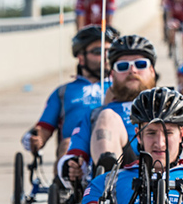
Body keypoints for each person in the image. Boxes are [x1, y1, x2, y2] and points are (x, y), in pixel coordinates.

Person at [59, 35, 183, 186]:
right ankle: (107, 191)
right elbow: (74, 155)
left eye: (140, 64)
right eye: (123, 66)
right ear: (112, 75)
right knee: (106, 117)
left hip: (175, 179)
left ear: (152, 71)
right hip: (123, 185)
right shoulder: (95, 115)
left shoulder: (176, 106)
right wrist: (71, 167)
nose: (132, 70)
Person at [22, 25, 118, 161]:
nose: (105, 57)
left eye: (109, 51)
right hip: (74, 151)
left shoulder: (120, 87)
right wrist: (36, 139)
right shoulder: (63, 92)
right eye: (98, 51)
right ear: (81, 58)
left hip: (110, 148)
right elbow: (44, 127)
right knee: (67, 145)